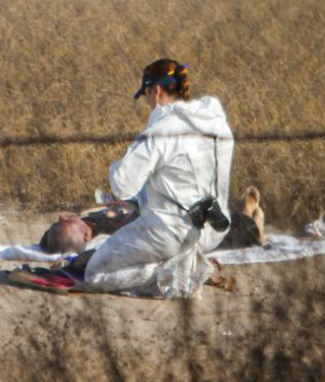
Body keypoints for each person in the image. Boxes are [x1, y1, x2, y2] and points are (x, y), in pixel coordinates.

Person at [72, 59, 235, 297]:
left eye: (146, 96)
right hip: (213, 230)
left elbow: (122, 186)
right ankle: (183, 261)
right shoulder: (216, 124)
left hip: (169, 230)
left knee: (95, 274)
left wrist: (117, 164)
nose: (147, 103)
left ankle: (174, 273)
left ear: (156, 90)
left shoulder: (160, 131)